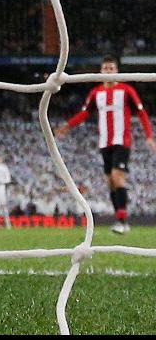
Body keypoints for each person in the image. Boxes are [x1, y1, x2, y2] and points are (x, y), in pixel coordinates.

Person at [55, 56, 154, 234]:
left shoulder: (126, 90)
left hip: (121, 142)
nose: (108, 72)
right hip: (104, 143)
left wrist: (149, 136)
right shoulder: (96, 93)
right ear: (100, 72)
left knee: (117, 178)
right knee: (110, 182)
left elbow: (142, 113)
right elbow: (85, 114)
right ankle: (120, 219)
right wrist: (67, 126)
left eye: (111, 69)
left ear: (117, 71)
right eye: (105, 69)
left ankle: (123, 222)